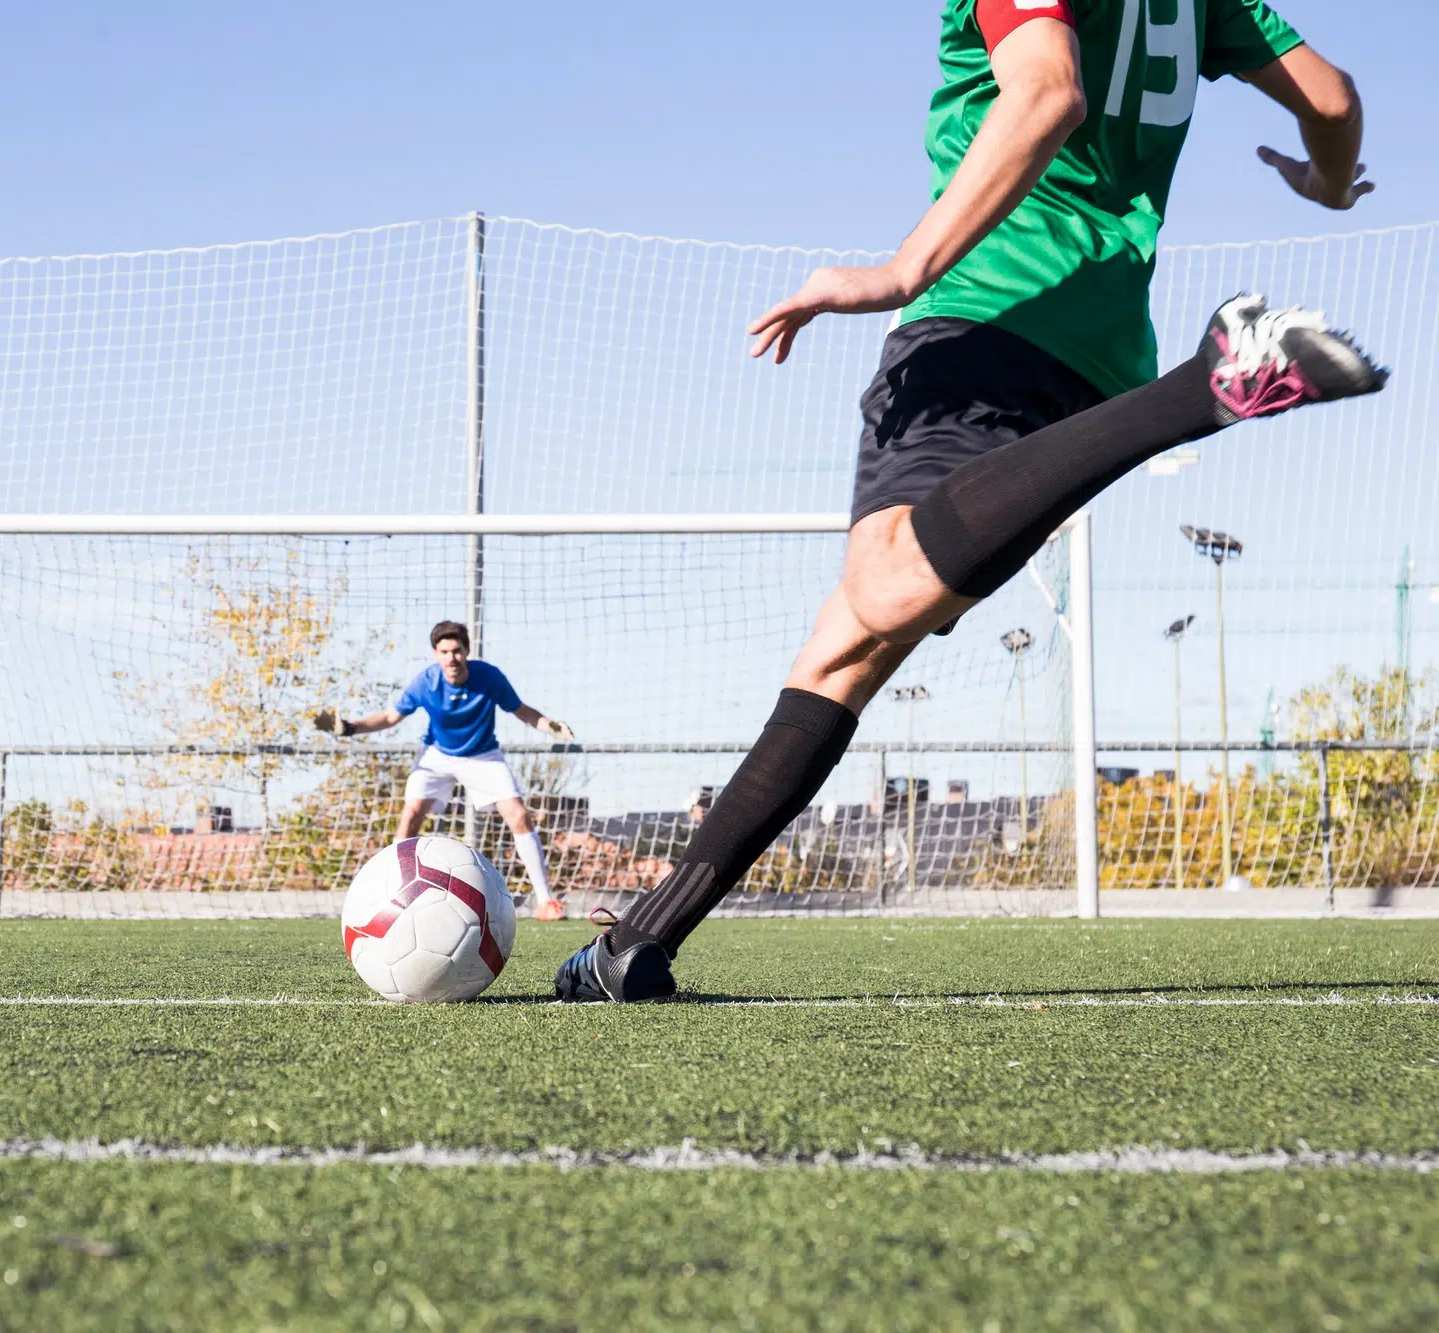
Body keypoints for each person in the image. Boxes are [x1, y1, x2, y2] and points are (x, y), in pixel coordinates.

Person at [557, 0, 1385, 1002]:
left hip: (985, 307)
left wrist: (902, 266)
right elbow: (1331, 101)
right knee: (848, 645)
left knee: (878, 587)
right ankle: (633, 946)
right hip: (1093, 350)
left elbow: (1048, 91)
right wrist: (1327, 183)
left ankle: (1201, 388)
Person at [316, 620, 577, 919]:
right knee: (411, 813)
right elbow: (390, 717)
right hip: (436, 755)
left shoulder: (489, 677)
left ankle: (545, 901)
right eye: (444, 651)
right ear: (435, 654)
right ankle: (393, 895)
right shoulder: (425, 682)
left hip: (483, 755)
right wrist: (349, 727)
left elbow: (522, 711)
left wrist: (550, 726)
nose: (451, 658)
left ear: (466, 651)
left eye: (456, 651)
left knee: (519, 815)